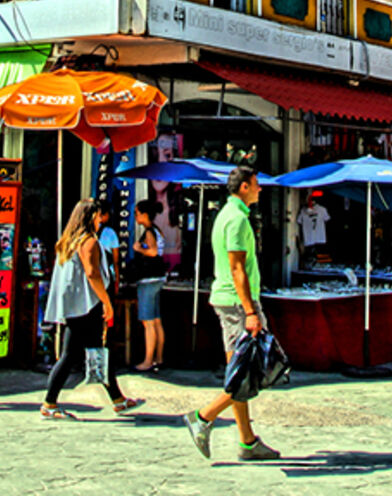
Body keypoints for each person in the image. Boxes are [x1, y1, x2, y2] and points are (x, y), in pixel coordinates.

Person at [184, 165, 279, 462]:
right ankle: (203, 416)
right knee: (245, 372)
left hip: (227, 301)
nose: (260, 188)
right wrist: (250, 310)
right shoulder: (237, 219)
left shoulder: (226, 214)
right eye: (257, 183)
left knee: (238, 370)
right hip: (238, 304)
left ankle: (247, 441)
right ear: (244, 188)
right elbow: (238, 268)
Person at [40, 198, 140, 418]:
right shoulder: (89, 242)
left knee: (97, 351)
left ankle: (117, 399)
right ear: (89, 218)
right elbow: (92, 273)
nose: (100, 220)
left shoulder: (68, 241)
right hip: (88, 304)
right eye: (97, 216)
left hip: (75, 303)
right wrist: (106, 302)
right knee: (71, 355)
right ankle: (49, 403)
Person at [131, 198, 167, 371]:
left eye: (137, 213)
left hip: (148, 279)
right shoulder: (157, 230)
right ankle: (158, 358)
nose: (135, 217)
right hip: (158, 278)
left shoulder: (149, 232)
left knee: (148, 322)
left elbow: (152, 251)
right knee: (156, 320)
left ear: (145, 215)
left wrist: (139, 249)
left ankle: (148, 360)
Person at [296, 192, 331, 261]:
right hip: (319, 237)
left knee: (312, 254)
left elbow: (299, 221)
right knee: (318, 254)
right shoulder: (322, 209)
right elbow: (327, 219)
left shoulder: (303, 210)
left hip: (309, 238)